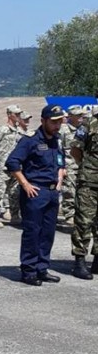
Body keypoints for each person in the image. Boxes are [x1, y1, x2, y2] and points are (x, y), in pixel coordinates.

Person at [4, 105, 65, 286]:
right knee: (33, 232)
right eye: (54, 122)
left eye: (60, 121)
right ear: (43, 121)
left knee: (48, 233)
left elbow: (61, 161)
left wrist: (60, 178)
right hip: (35, 192)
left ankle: (42, 268)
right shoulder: (30, 140)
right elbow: (12, 162)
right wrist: (25, 184)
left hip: (52, 192)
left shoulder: (57, 140)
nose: (57, 125)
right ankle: (29, 270)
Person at [70, 100, 98, 279]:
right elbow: (75, 150)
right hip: (89, 182)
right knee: (84, 221)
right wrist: (87, 168)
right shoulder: (89, 123)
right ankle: (80, 261)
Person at [0, 104, 24, 228]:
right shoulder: (3, 130)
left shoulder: (20, 131)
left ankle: (14, 215)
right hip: (3, 166)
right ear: (9, 115)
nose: (19, 116)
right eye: (16, 114)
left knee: (15, 191)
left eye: (20, 114)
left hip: (17, 166)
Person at [59, 105, 85, 225]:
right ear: (70, 116)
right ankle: (69, 214)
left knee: (82, 192)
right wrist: (61, 167)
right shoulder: (63, 130)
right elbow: (59, 149)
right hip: (68, 165)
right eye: (78, 115)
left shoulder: (84, 129)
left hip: (82, 165)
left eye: (81, 114)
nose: (81, 117)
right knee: (69, 191)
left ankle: (80, 214)